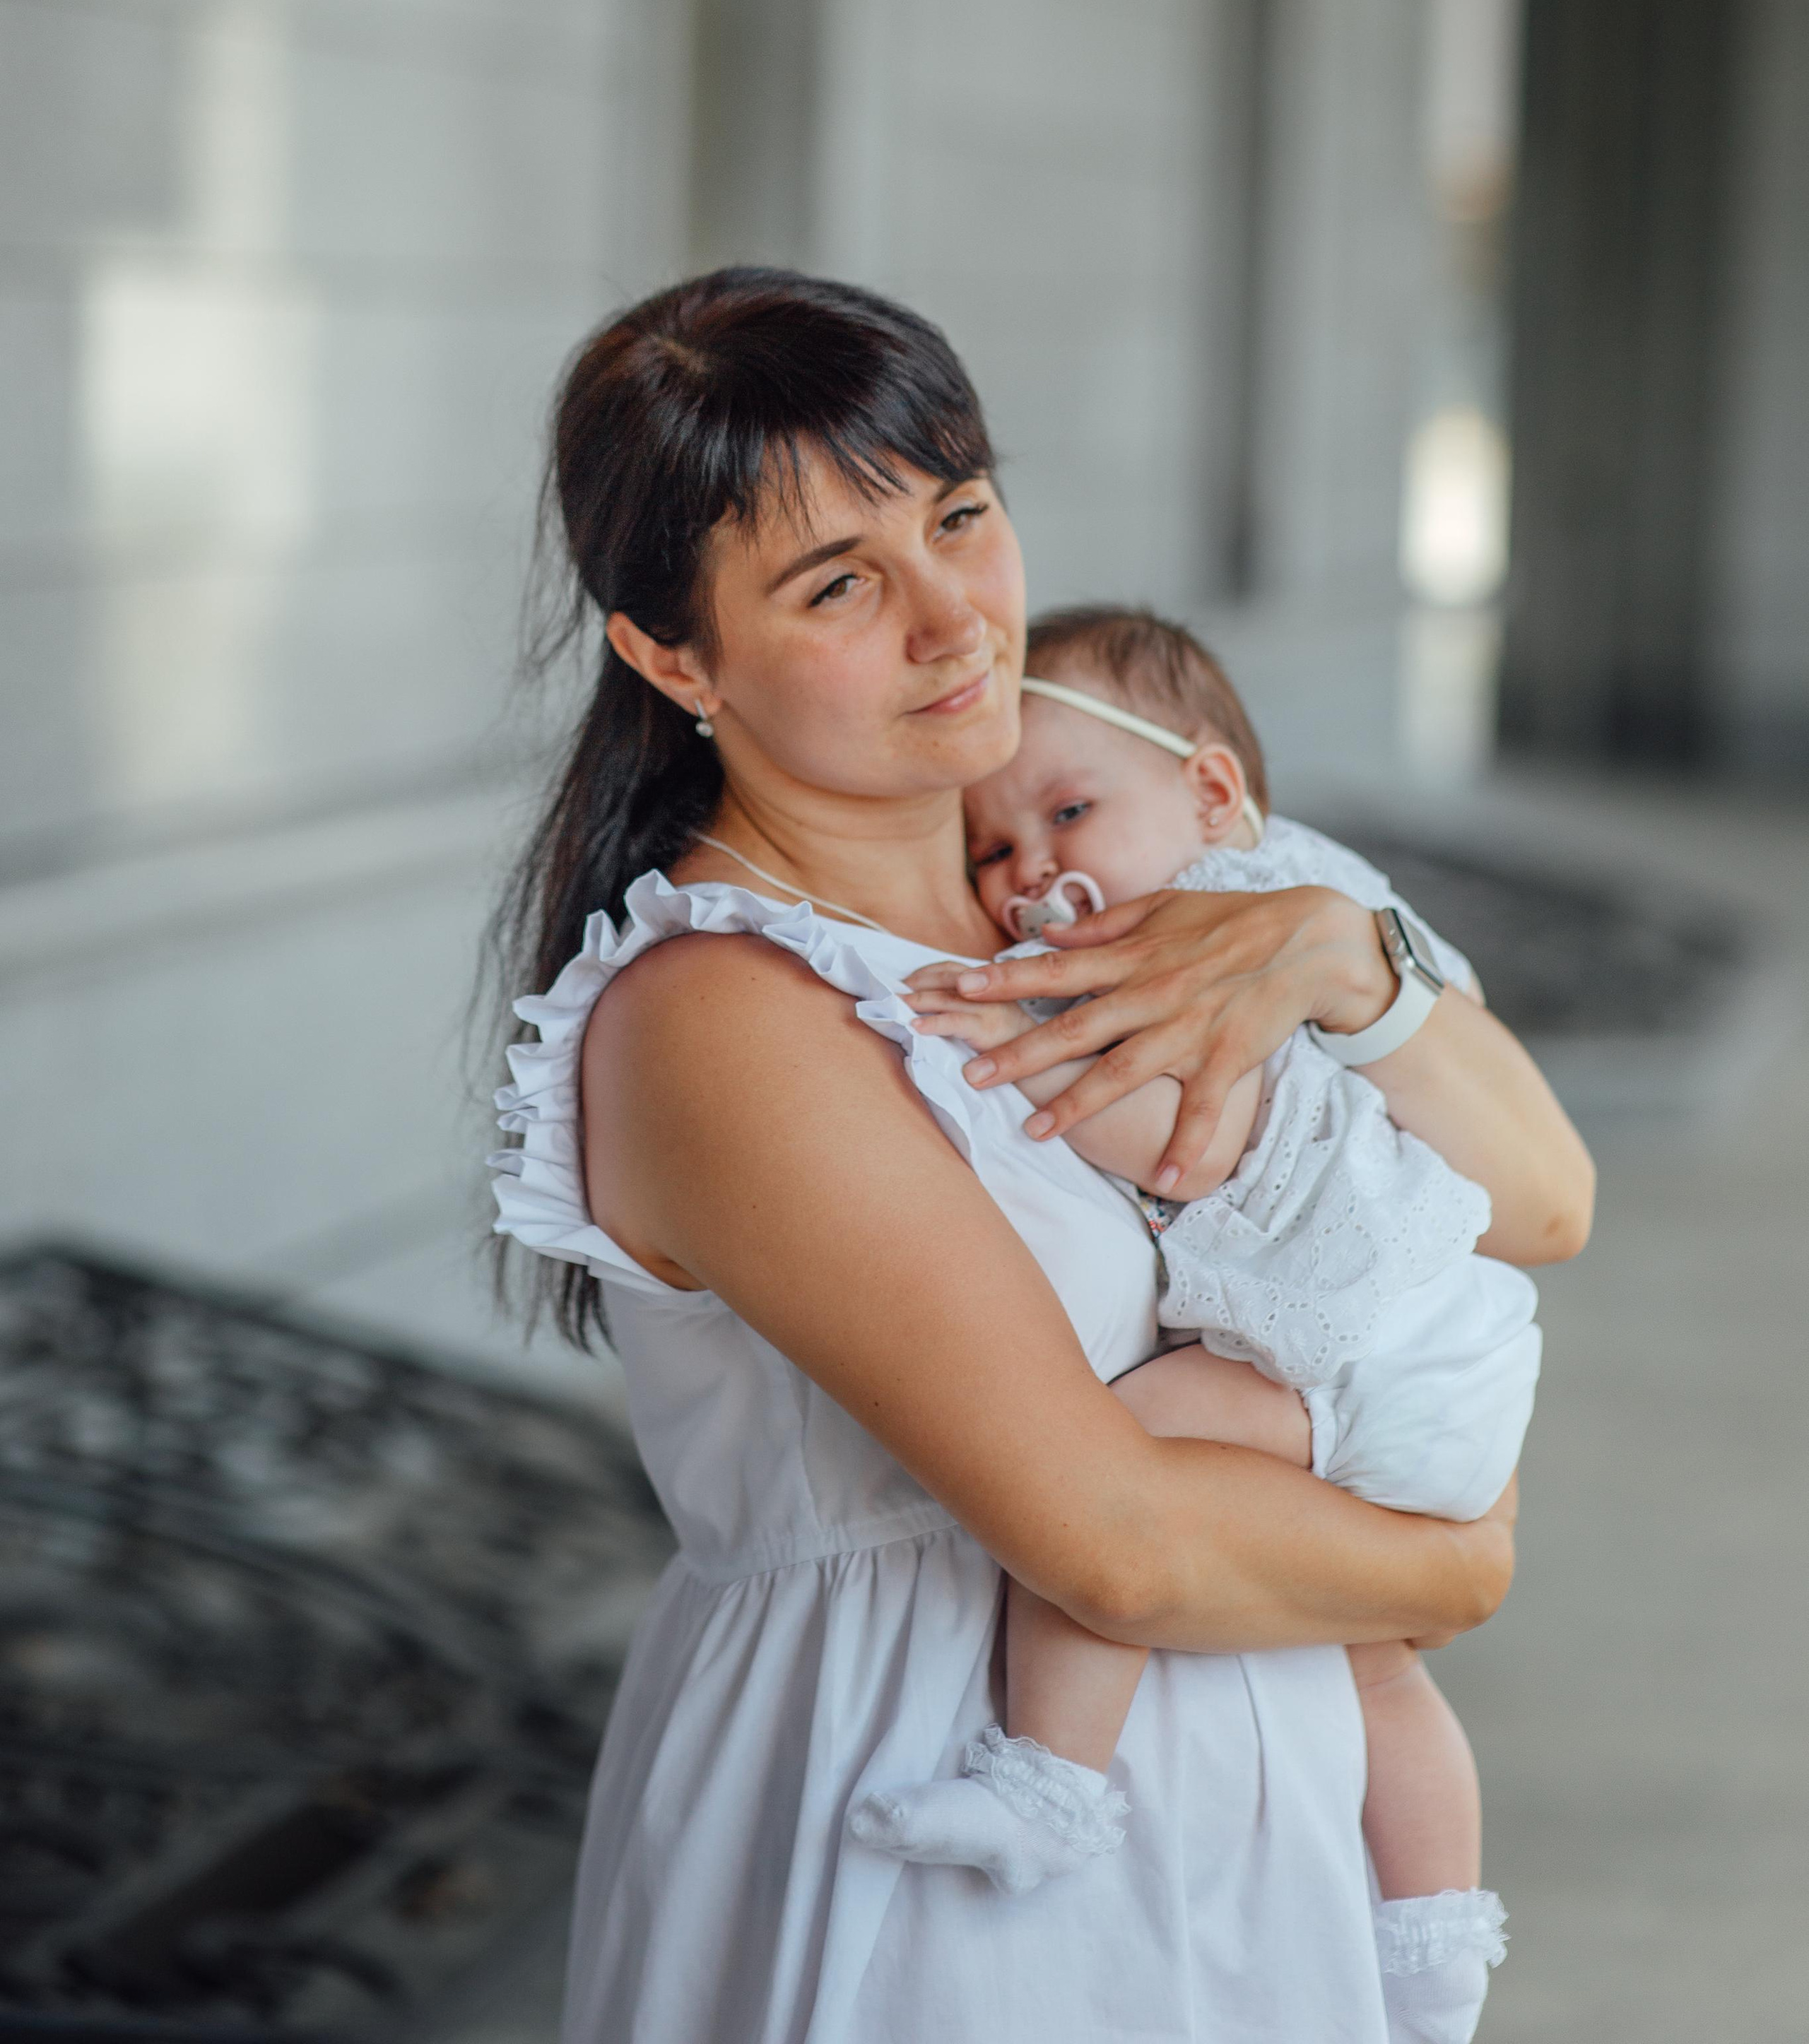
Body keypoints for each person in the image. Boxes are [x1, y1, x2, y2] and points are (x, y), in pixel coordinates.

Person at [488, 268, 1593, 2044]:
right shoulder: (725, 1011)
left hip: (1245, 1810)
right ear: (671, 654)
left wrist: (1331, 955)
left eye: (962, 516)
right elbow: (1116, 1547)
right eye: (840, 582)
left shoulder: (1113, 896)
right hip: (921, 1828)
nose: (957, 622)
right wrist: (1455, 1557)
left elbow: (1540, 1200)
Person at [859, 606, 1552, 2042]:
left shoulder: (1218, 946)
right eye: (990, 852)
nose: (1031, 868)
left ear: (1214, 795)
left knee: (1109, 1458)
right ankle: (1431, 1950)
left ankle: (1048, 1779)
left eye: (1067, 811)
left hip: (1372, 1354)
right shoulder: (1308, 909)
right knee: (1374, 1669)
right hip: (1438, 1360)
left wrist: (998, 1026)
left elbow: (1180, 1138)